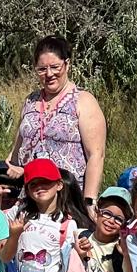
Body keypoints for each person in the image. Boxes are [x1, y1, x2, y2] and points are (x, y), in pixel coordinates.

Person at [10, 35, 107, 210]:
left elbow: (96, 155)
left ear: (67, 64)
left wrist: (89, 201)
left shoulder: (83, 100)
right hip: (31, 199)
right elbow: (16, 153)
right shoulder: (30, 101)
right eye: (42, 69)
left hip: (68, 201)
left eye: (55, 67)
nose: (49, 74)